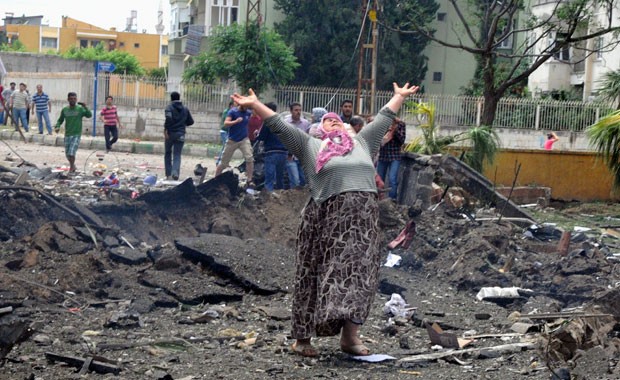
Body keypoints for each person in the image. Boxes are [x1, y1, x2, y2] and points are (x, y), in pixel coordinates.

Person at [230, 82, 420, 357]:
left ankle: (350, 339)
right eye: (328, 122)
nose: (335, 124)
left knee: (360, 276)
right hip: (326, 219)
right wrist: (255, 105)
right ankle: (303, 339)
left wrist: (399, 97)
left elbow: (383, 118)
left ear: (348, 128)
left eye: (338, 121)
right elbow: (279, 126)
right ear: (320, 129)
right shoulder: (310, 145)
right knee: (314, 274)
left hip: (363, 221)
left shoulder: (363, 143)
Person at [214, 101, 254, 187]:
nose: (246, 108)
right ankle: (215, 179)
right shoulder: (233, 112)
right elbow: (226, 123)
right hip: (232, 140)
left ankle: (249, 180)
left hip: (244, 139)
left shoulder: (248, 113)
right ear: (240, 104)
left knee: (249, 158)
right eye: (245, 106)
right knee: (224, 162)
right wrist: (235, 121)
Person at [55, 92, 92, 173]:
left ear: (76, 99)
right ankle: (73, 165)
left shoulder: (80, 109)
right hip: (67, 134)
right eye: (71, 99)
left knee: (72, 152)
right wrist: (57, 126)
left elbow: (89, 115)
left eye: (74, 99)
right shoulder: (65, 110)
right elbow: (60, 120)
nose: (73, 100)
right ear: (68, 99)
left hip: (76, 134)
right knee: (67, 154)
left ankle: (71, 168)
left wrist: (85, 107)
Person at [256, 102, 287, 192]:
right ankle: (281, 197)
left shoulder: (267, 122)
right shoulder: (283, 121)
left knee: (269, 179)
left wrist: (256, 134)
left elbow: (261, 137)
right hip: (283, 153)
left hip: (271, 152)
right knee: (280, 178)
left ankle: (268, 199)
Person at [164, 91, 194, 180]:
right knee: (177, 154)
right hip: (181, 134)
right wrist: (182, 124)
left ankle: (168, 173)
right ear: (179, 97)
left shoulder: (169, 107)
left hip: (170, 133)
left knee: (168, 153)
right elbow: (191, 122)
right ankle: (175, 173)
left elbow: (168, 118)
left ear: (171, 98)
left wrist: (166, 130)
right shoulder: (185, 109)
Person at [377, 118, 406, 200]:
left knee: (392, 179)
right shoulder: (382, 122)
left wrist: (395, 130)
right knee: (379, 179)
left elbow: (402, 140)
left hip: (395, 155)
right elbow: (378, 139)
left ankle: (392, 200)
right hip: (383, 156)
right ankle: (378, 200)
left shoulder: (401, 124)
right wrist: (387, 130)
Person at [284, 102, 311, 188]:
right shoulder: (286, 123)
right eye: (296, 110)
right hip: (290, 156)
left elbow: (308, 139)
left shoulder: (305, 123)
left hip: (302, 156)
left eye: (299, 110)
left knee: (304, 180)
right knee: (295, 180)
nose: (298, 112)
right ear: (291, 111)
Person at [216, 101, 234, 165]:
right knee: (226, 147)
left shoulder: (230, 111)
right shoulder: (227, 112)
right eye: (234, 106)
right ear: (231, 106)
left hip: (228, 131)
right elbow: (227, 122)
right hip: (224, 131)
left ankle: (223, 162)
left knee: (226, 147)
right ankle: (219, 162)